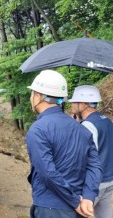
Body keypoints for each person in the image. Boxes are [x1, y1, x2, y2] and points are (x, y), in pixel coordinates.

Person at [26, 70, 102, 218]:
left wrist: (75, 201)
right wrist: (87, 197)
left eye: (32, 93)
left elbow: (48, 173)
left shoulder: (38, 130)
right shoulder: (82, 129)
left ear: (38, 96)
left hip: (50, 207)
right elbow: (95, 166)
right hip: (77, 207)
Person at [69, 85, 113, 218]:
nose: (71, 105)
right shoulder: (106, 120)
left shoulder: (87, 125)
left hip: (95, 184)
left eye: (74, 102)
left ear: (82, 104)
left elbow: (85, 158)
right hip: (109, 180)